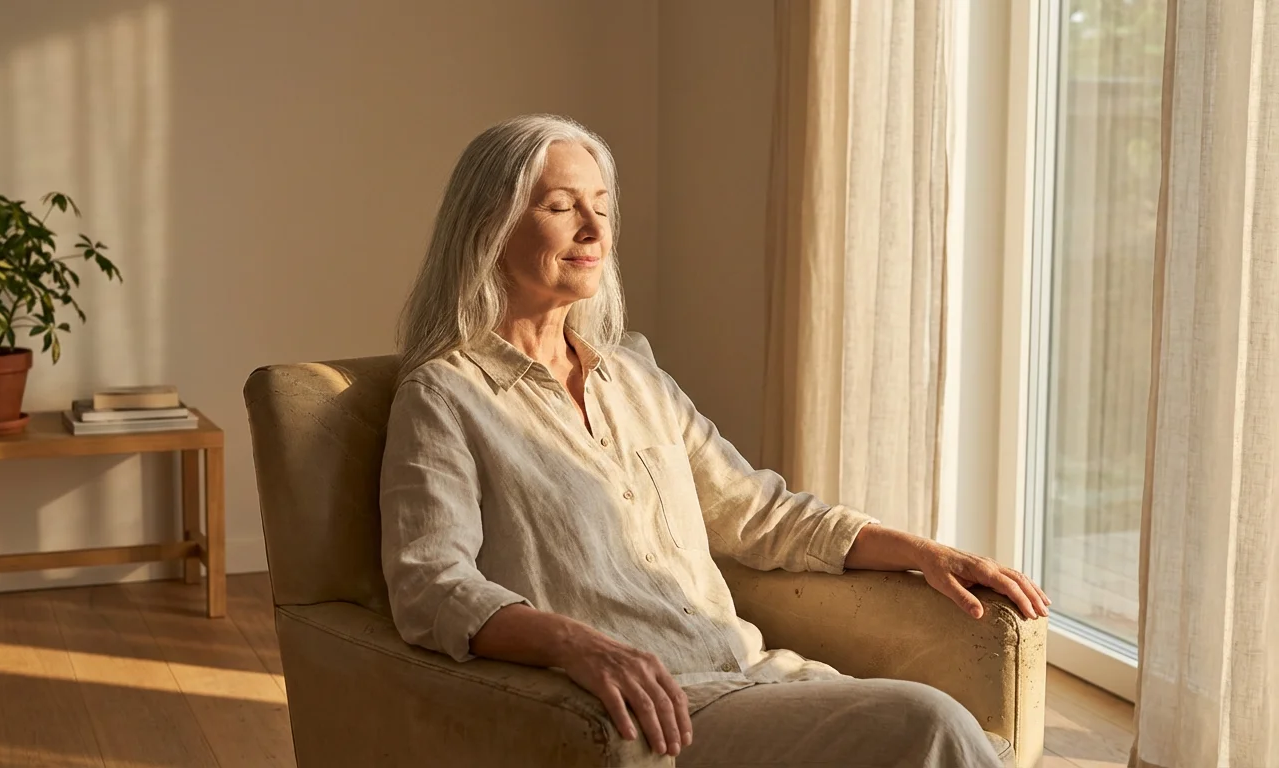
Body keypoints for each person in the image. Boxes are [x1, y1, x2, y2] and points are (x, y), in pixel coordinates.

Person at [379, 114, 1048, 767]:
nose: (592, 230)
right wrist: (576, 645)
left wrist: (923, 552)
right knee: (927, 725)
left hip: (756, 675)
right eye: (560, 205)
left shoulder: (634, 374)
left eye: (602, 208)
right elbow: (430, 583)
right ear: (487, 226)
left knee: (956, 739)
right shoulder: (445, 396)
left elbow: (757, 511)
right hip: (655, 715)